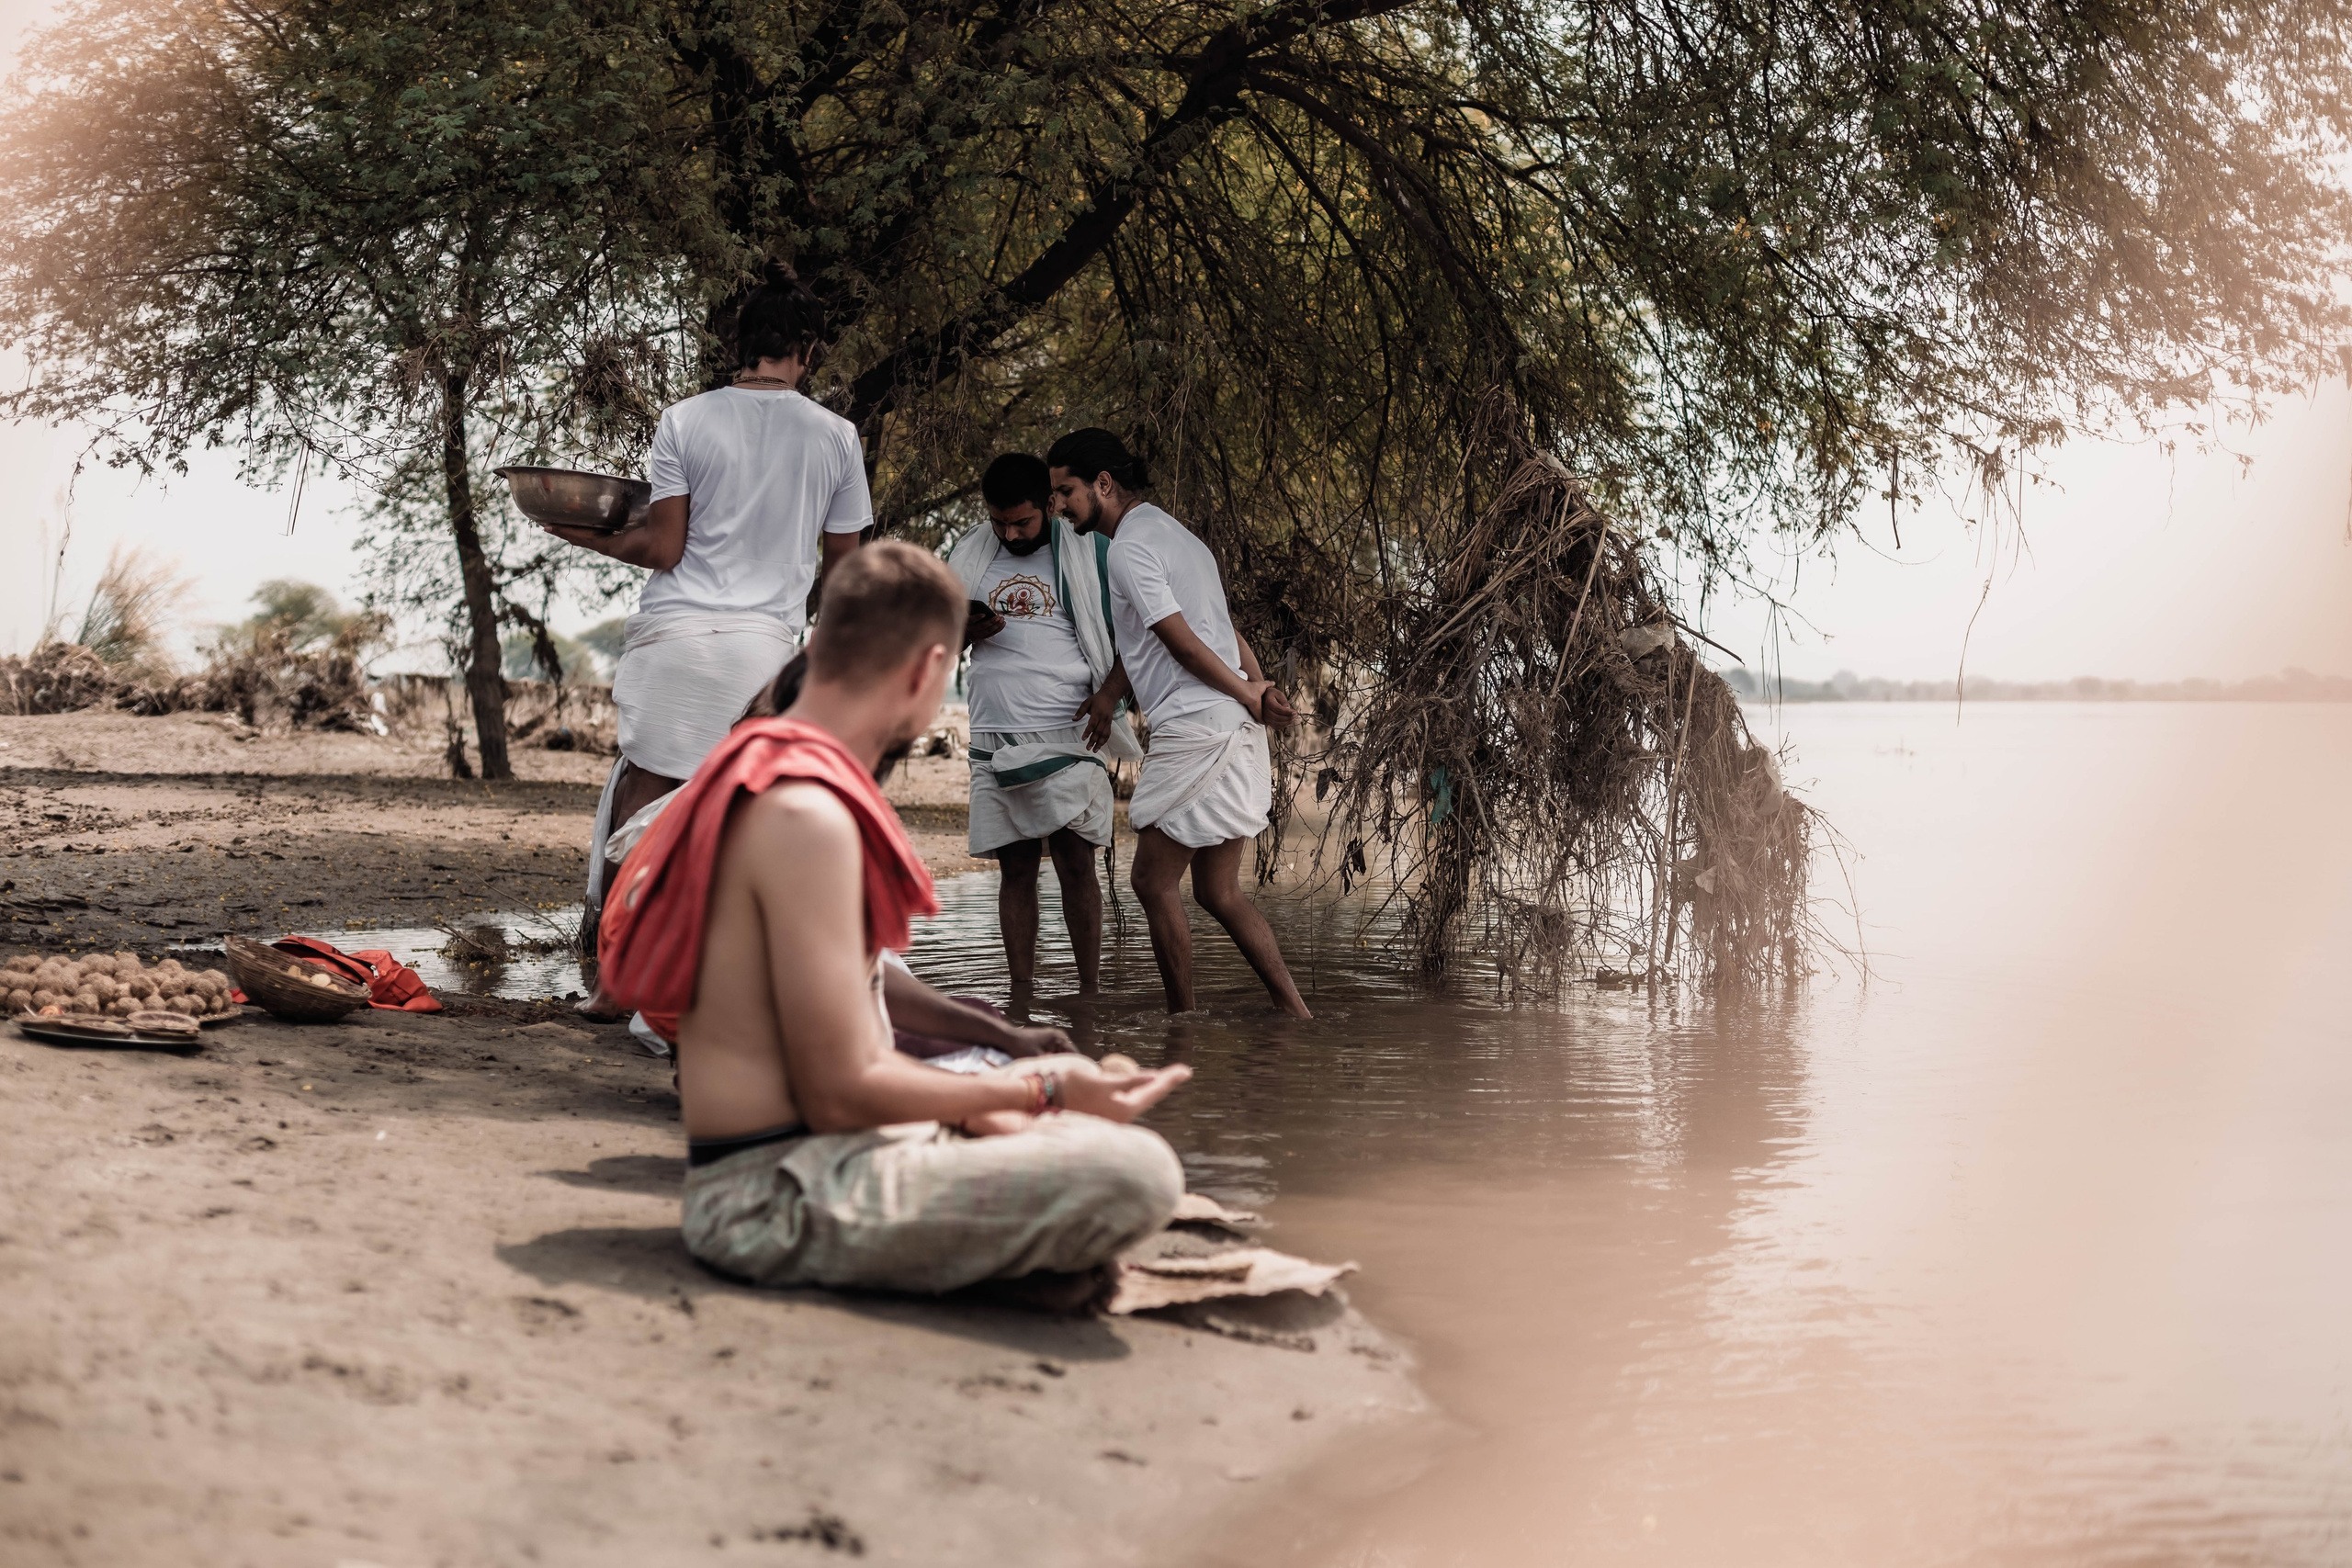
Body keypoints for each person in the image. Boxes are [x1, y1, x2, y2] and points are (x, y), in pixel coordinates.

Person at [594, 541, 1190, 1295]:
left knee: (1057, 1121)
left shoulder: (769, 769)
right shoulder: (805, 813)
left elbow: (862, 991)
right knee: (1139, 1172)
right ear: (923, 673)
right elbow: (843, 1092)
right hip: (771, 1197)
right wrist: (1042, 1088)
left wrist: (1017, 1060)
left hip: (820, 1152)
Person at [537, 276, 870, 961]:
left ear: (743, 346)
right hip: (764, 656)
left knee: (641, 805)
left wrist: (584, 533)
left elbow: (663, 547)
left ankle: (616, 976)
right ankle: (733, 972)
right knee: (750, 819)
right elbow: (843, 575)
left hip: (675, 642)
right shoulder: (838, 438)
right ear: (806, 349)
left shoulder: (684, 420)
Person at [1045, 428, 1313, 1019]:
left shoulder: (1129, 550)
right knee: (1219, 893)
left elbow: (1185, 644)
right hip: (1229, 730)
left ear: (1104, 484)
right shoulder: (1175, 535)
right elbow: (1217, 629)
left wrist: (1250, 691)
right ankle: (1295, 1014)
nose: (1058, 506)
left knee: (1150, 882)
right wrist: (1257, 689)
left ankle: (1181, 1026)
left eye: (1066, 492)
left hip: (1197, 731)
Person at [946, 452, 1140, 996]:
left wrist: (1107, 696)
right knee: (1016, 868)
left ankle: (1089, 994)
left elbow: (1139, 636)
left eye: (1023, 522)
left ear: (1050, 503)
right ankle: (1021, 995)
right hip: (994, 733)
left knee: (1077, 861)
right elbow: (935, 638)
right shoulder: (970, 557)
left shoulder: (1092, 551)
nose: (1009, 533)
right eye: (998, 522)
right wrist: (968, 632)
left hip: (1073, 730)